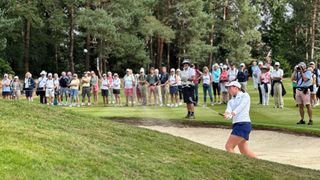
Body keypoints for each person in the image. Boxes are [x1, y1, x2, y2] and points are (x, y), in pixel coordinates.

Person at [224, 81, 256, 158]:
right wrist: (227, 114)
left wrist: (232, 114)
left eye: (230, 87)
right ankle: (259, 164)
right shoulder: (231, 101)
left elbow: (241, 106)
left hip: (243, 124)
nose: (228, 90)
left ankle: (234, 164)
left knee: (229, 146)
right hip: (237, 124)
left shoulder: (245, 95)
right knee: (244, 150)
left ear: (236, 87)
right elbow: (228, 110)